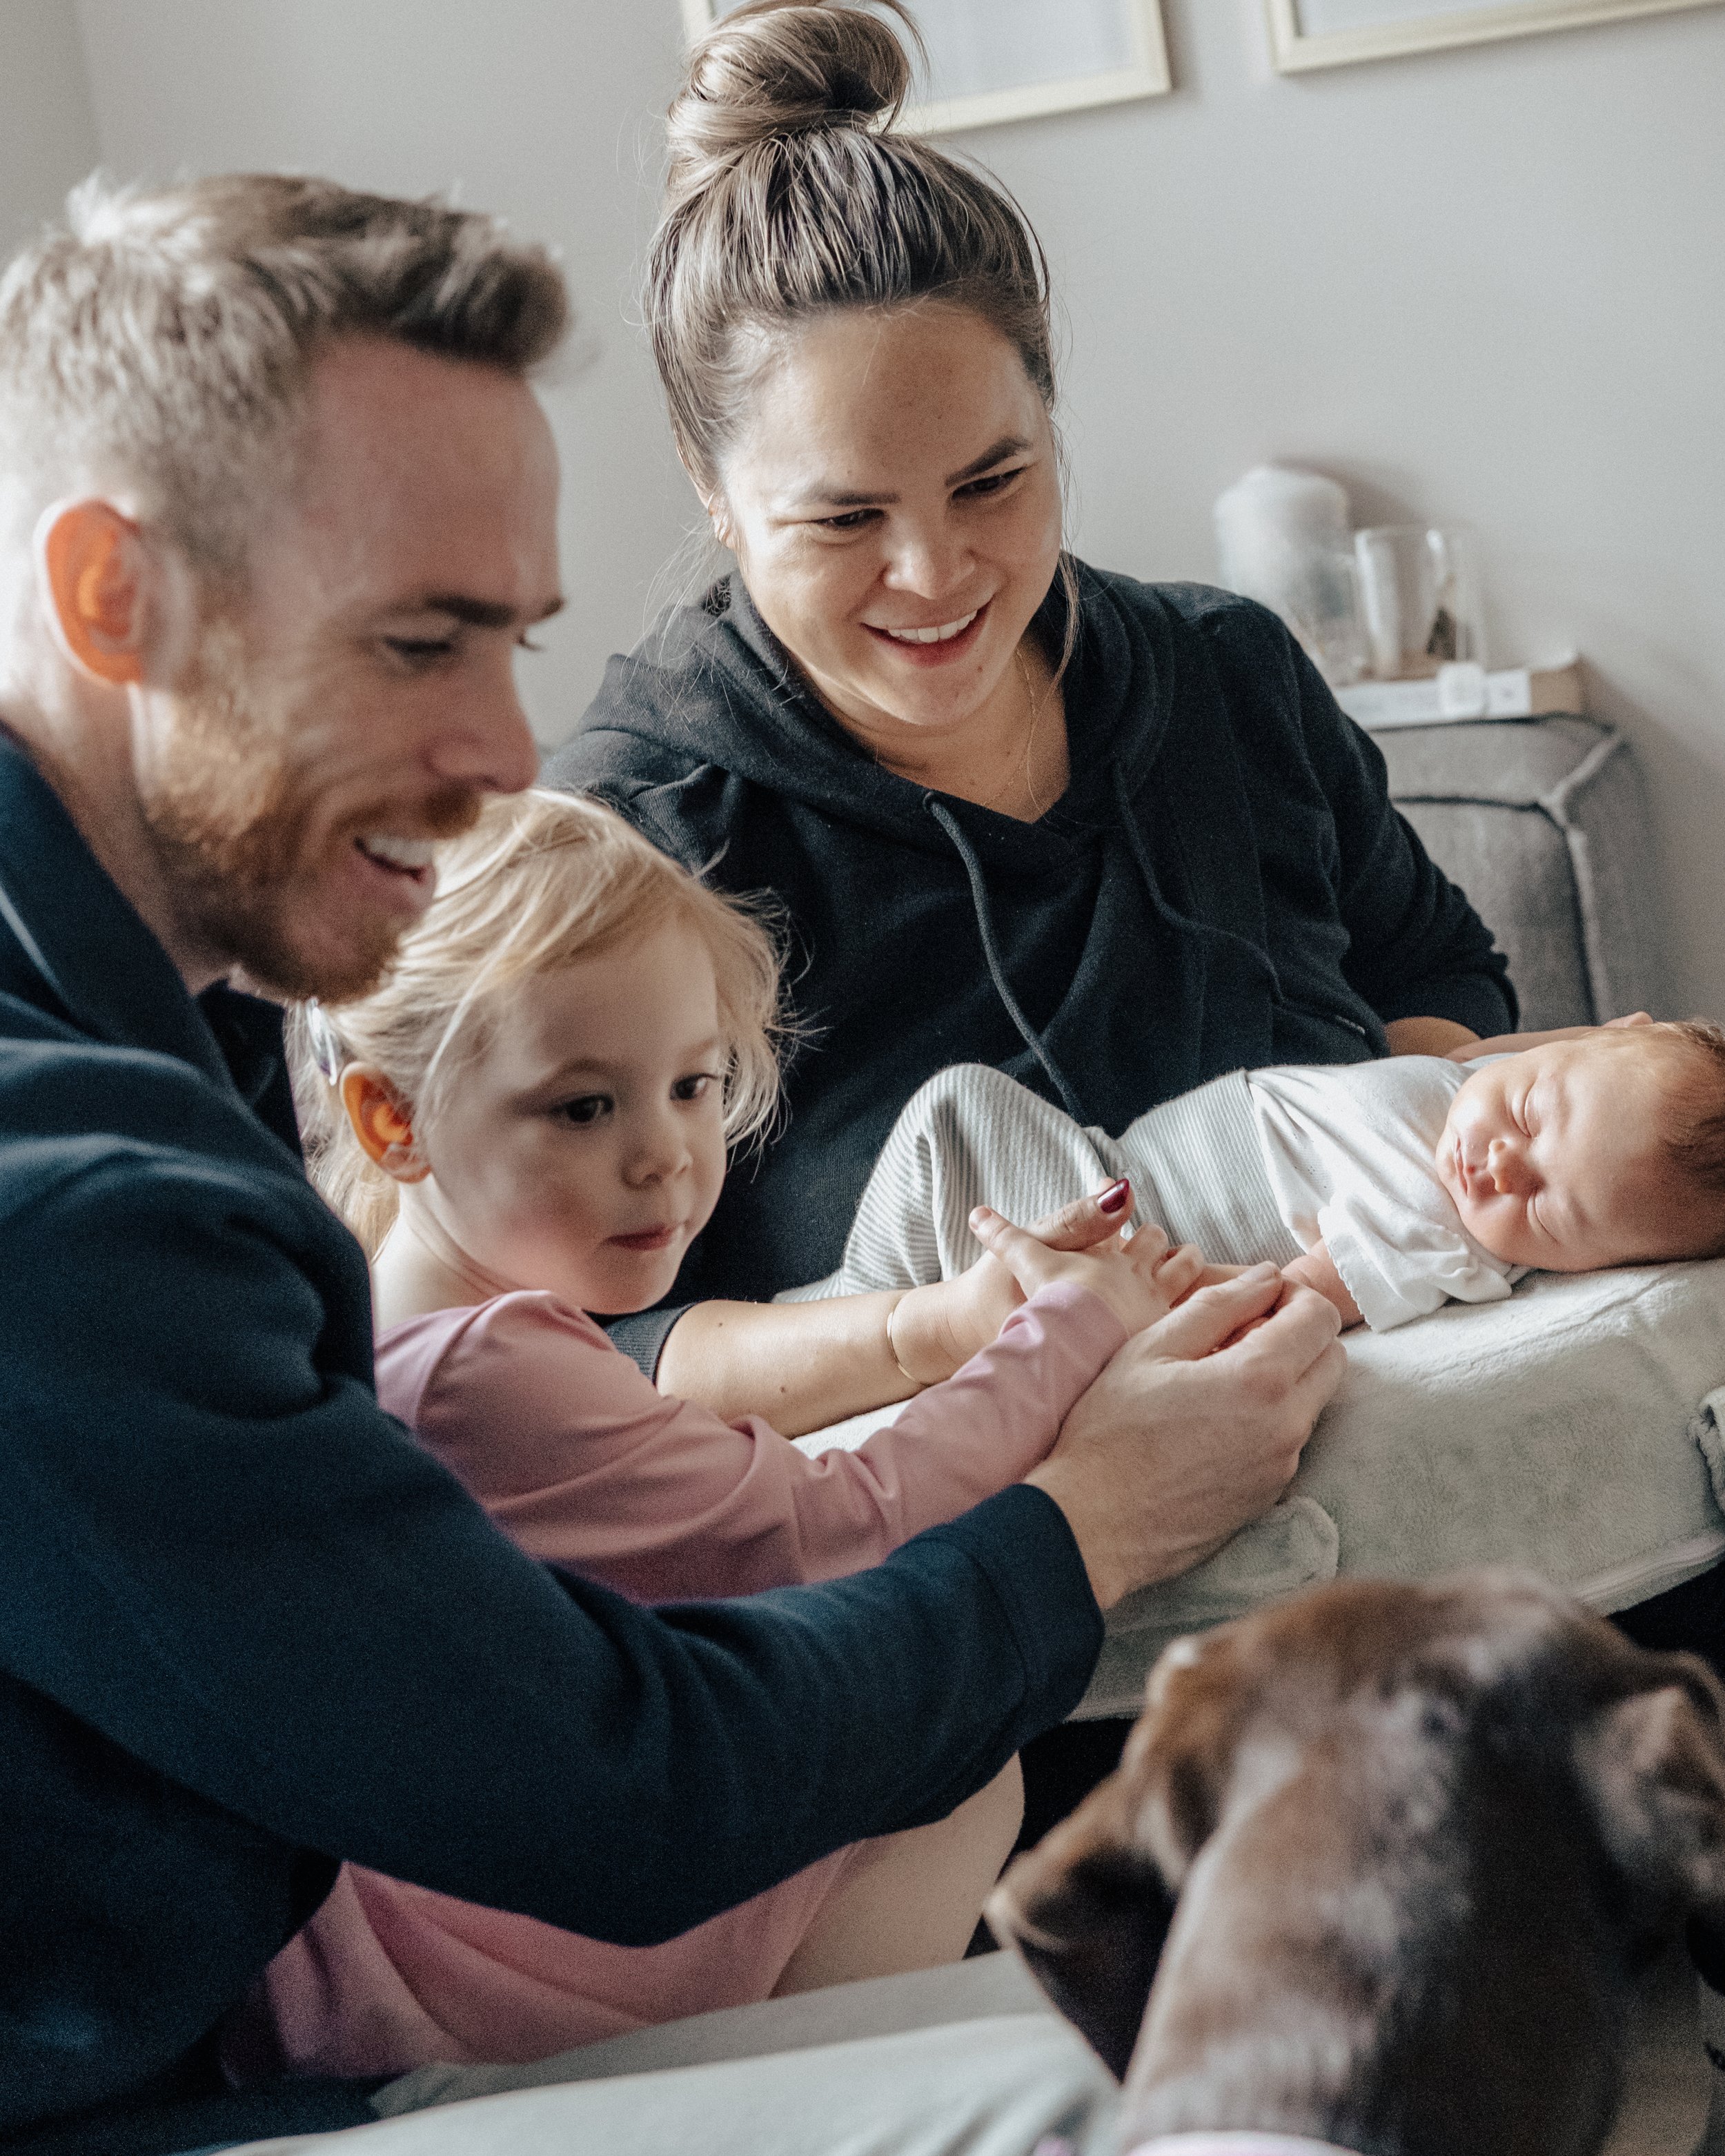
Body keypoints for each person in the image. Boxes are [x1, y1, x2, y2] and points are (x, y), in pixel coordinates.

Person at [0, 173, 1344, 2155]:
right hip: (152, 2092)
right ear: (117, 598)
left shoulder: (166, 1029)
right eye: (414, 643)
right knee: (1241, 2090)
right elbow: (615, 1783)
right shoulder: (77, 1211)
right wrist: (1092, 1515)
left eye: (514, 638)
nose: (497, 747)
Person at [545, 0, 1516, 1429]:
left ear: (1050, 416)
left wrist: (1445, 1174)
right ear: (711, 487)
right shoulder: (631, 840)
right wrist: (927, 1332)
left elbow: (1438, 972)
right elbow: (588, 1346)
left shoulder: (1226, 673)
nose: (934, 577)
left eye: (991, 482)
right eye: (844, 516)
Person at [242, 787, 1208, 2079]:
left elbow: (703, 1500)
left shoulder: (397, 1320)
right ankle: (789, 2090)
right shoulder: (483, 1370)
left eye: (693, 1086)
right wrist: (1076, 1328)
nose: (666, 1157)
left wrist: (957, 1324)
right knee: (944, 1767)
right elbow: (836, 1527)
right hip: (481, 1982)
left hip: (438, 1921)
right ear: (392, 1121)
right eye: (585, 1108)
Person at [800, 1017, 1725, 1335]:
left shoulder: (1437, 1234)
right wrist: (1590, 1043)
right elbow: (1493, 1058)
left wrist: (1157, 1302)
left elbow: (1292, 1299)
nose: (1496, 1166)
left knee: (960, 1111)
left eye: (1550, 1211)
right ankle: (851, 1309)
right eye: (1526, 1114)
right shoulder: (1491, 1088)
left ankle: (845, 1310)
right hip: (1111, 1157)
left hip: (1115, 1207)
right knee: (953, 1132)